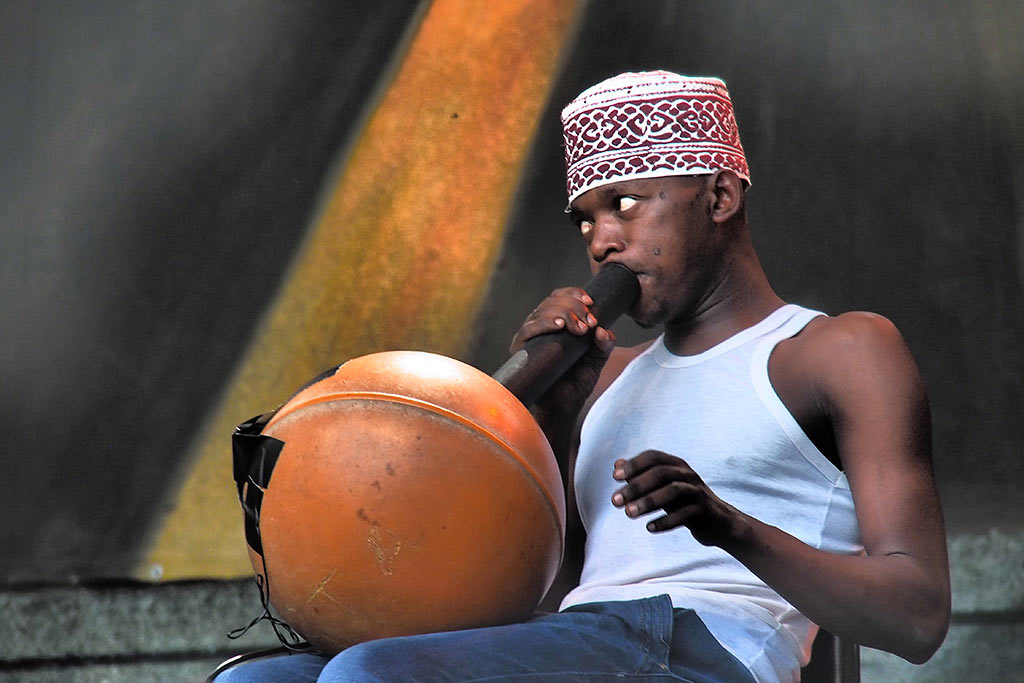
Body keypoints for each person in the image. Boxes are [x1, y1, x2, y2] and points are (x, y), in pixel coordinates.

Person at [217, 71, 950, 683]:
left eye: (627, 204)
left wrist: (725, 524)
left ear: (721, 197)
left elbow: (916, 616)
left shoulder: (836, 350)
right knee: (255, 682)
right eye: (586, 219)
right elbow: (557, 598)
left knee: (369, 676)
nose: (601, 240)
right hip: (588, 636)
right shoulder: (608, 378)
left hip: (708, 649)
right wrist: (554, 424)